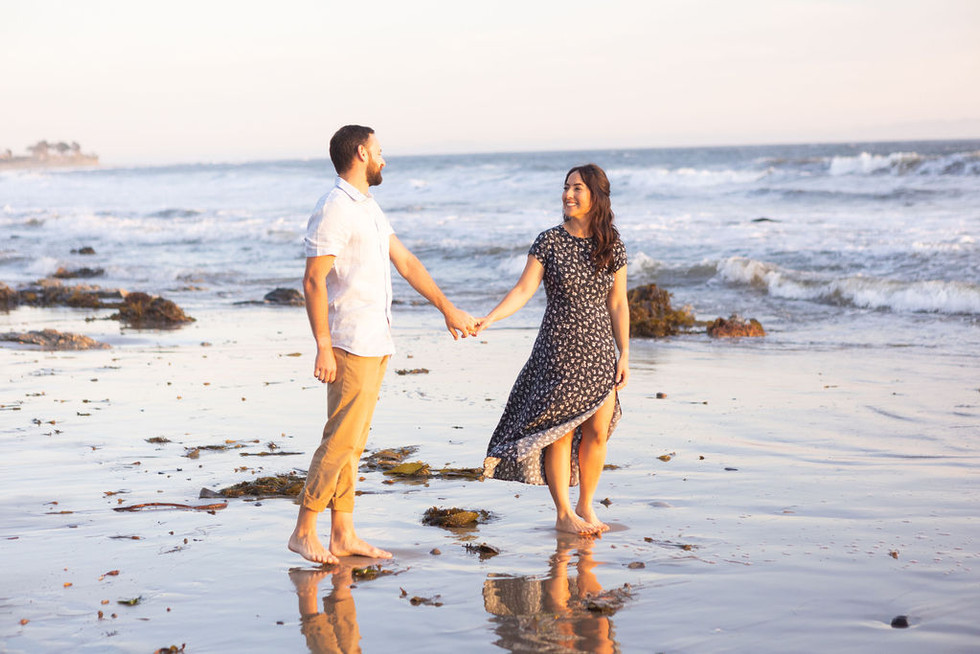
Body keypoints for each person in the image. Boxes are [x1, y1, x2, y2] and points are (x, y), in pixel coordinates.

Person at [288, 125, 478, 564]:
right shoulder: (334, 207)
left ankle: (343, 533)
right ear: (361, 153)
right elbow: (314, 279)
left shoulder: (368, 208)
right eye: (379, 150)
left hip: (375, 340)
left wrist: (447, 309)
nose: (384, 158)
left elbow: (406, 262)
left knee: (354, 444)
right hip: (348, 342)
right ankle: (303, 529)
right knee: (339, 441)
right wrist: (321, 344)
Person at [476, 164, 629, 536]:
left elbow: (619, 303)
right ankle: (563, 513)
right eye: (566, 187)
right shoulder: (549, 241)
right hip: (558, 349)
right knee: (560, 430)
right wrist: (490, 318)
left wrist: (624, 352)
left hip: (598, 351)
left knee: (596, 430)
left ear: (596, 195)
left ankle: (585, 507)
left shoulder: (612, 244)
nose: (568, 194)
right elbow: (523, 290)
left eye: (577, 188)